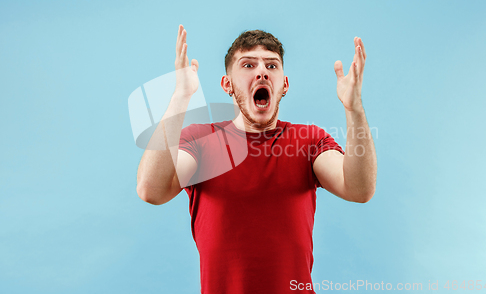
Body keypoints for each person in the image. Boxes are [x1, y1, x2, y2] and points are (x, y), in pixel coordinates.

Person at [136, 25, 377, 294]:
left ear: (284, 85)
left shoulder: (310, 140)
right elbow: (151, 190)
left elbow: (359, 189)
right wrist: (180, 98)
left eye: (272, 66)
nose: (262, 71)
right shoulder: (201, 141)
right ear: (227, 84)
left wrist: (354, 108)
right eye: (248, 65)